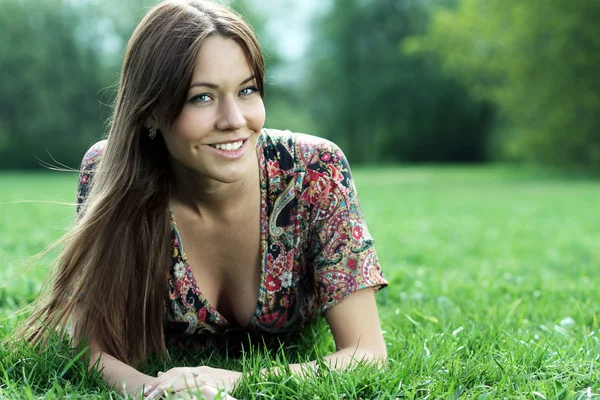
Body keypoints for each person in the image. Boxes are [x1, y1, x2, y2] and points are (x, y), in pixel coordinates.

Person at [19, 0, 388, 398]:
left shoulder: (316, 170)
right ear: (151, 112)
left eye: (247, 90)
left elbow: (366, 352)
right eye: (202, 97)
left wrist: (236, 380)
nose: (234, 119)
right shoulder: (110, 171)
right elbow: (88, 346)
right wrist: (158, 392)